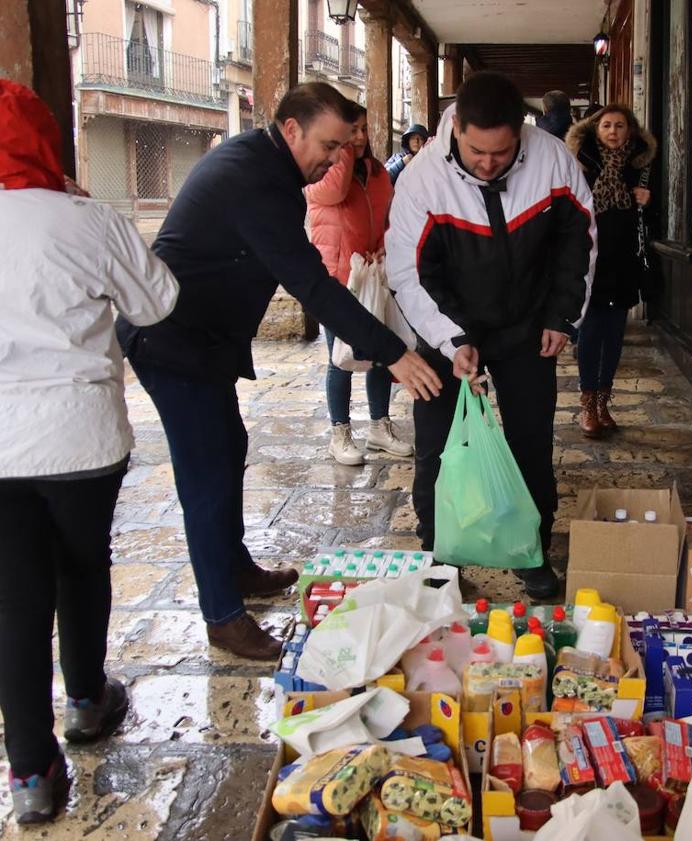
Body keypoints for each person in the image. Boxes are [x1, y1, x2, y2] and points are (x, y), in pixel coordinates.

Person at [116, 82, 441, 659]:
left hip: (204, 342)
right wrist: (393, 351)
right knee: (205, 473)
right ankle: (222, 615)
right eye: (328, 144)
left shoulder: (271, 168)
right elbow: (311, 284)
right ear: (290, 129)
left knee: (228, 445)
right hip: (170, 341)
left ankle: (236, 568)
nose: (337, 157)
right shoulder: (254, 180)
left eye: (344, 146)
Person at [0, 80, 179, 824]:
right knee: (81, 566)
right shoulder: (87, 219)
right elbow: (157, 300)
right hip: (80, 435)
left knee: (13, 600)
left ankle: (32, 774)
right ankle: (84, 699)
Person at [385, 71, 596, 599]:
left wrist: (561, 317)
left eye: (501, 153)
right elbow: (408, 273)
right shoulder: (421, 179)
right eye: (478, 151)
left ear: (520, 136)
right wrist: (451, 339)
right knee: (438, 444)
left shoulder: (552, 159)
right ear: (455, 128)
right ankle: (441, 556)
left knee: (530, 441)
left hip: (528, 327)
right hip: (446, 331)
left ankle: (530, 550)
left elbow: (581, 242)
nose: (487, 163)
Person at [306, 102, 412, 465]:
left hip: (372, 276)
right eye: (352, 130)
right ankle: (340, 433)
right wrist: (344, 152)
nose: (361, 136)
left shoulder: (379, 173)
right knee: (342, 358)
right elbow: (335, 192)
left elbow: (389, 217)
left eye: (364, 129)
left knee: (380, 354)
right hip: (337, 279)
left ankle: (380, 427)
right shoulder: (322, 172)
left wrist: (382, 249)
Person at [566, 104, 656, 436]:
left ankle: (604, 402)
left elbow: (655, 218)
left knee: (615, 334)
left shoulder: (640, 167)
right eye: (606, 125)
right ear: (596, 130)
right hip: (590, 262)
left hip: (623, 260)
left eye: (620, 125)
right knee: (591, 332)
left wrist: (648, 200)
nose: (613, 131)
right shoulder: (581, 167)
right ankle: (587, 404)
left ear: (629, 131)